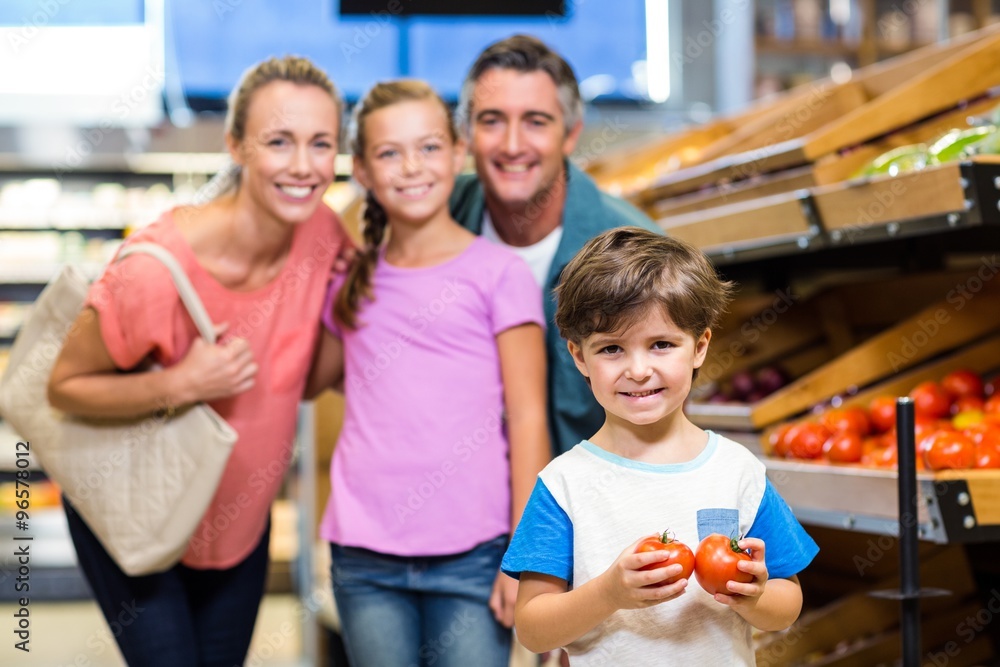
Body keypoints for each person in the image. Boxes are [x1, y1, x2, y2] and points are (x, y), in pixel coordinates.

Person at [47, 56, 350, 666]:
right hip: (137, 516)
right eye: (279, 141)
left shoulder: (323, 236)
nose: (302, 165)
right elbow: (64, 386)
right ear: (235, 144)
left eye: (320, 143)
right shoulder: (154, 270)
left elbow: (310, 381)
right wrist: (182, 383)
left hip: (240, 523)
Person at [305, 80, 551, 667]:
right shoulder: (351, 280)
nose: (412, 167)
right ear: (361, 170)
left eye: (430, 147)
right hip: (363, 555)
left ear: (458, 152)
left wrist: (528, 555)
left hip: (477, 554)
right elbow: (310, 379)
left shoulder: (500, 274)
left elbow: (529, 416)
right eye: (389, 153)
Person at [501, 227, 819, 665]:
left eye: (662, 345)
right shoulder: (564, 485)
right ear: (579, 357)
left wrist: (752, 595)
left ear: (700, 346)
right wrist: (609, 592)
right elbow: (534, 629)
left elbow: (787, 605)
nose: (637, 369)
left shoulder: (737, 471)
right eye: (611, 348)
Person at [450, 34, 662, 457]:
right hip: (460, 509)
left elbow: (660, 427)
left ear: (570, 135)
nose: (512, 144)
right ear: (467, 134)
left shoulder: (634, 253)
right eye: (491, 120)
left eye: (536, 121)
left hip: (589, 514)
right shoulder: (436, 221)